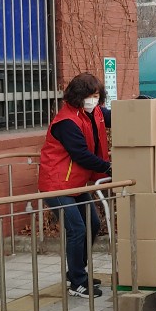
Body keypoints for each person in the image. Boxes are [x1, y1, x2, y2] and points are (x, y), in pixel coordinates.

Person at [39, 73, 112, 298]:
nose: (94, 100)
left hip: (76, 183)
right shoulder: (66, 122)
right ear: (78, 96)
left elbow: (117, 116)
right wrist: (110, 167)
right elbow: (80, 154)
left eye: (97, 95)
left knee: (91, 223)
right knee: (76, 229)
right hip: (57, 184)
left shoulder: (93, 112)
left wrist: (141, 108)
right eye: (90, 96)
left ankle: (76, 272)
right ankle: (78, 283)